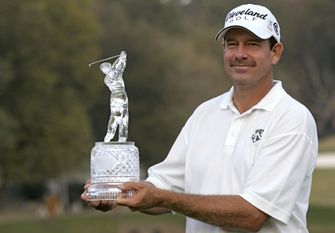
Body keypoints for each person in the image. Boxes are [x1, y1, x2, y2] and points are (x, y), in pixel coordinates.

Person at [82, 3, 318, 233]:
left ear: (275, 52)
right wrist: (118, 192)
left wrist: (165, 197)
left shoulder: (292, 118)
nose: (240, 54)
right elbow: (164, 186)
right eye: (232, 44)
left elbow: (252, 215)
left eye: (252, 44)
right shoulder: (205, 113)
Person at [100, 51, 129, 142]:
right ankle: (111, 135)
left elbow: (120, 64)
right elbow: (119, 65)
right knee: (117, 115)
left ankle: (121, 137)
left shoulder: (115, 74)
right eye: (105, 70)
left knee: (123, 115)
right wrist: (121, 57)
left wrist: (122, 57)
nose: (106, 71)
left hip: (121, 96)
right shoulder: (109, 78)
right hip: (117, 95)